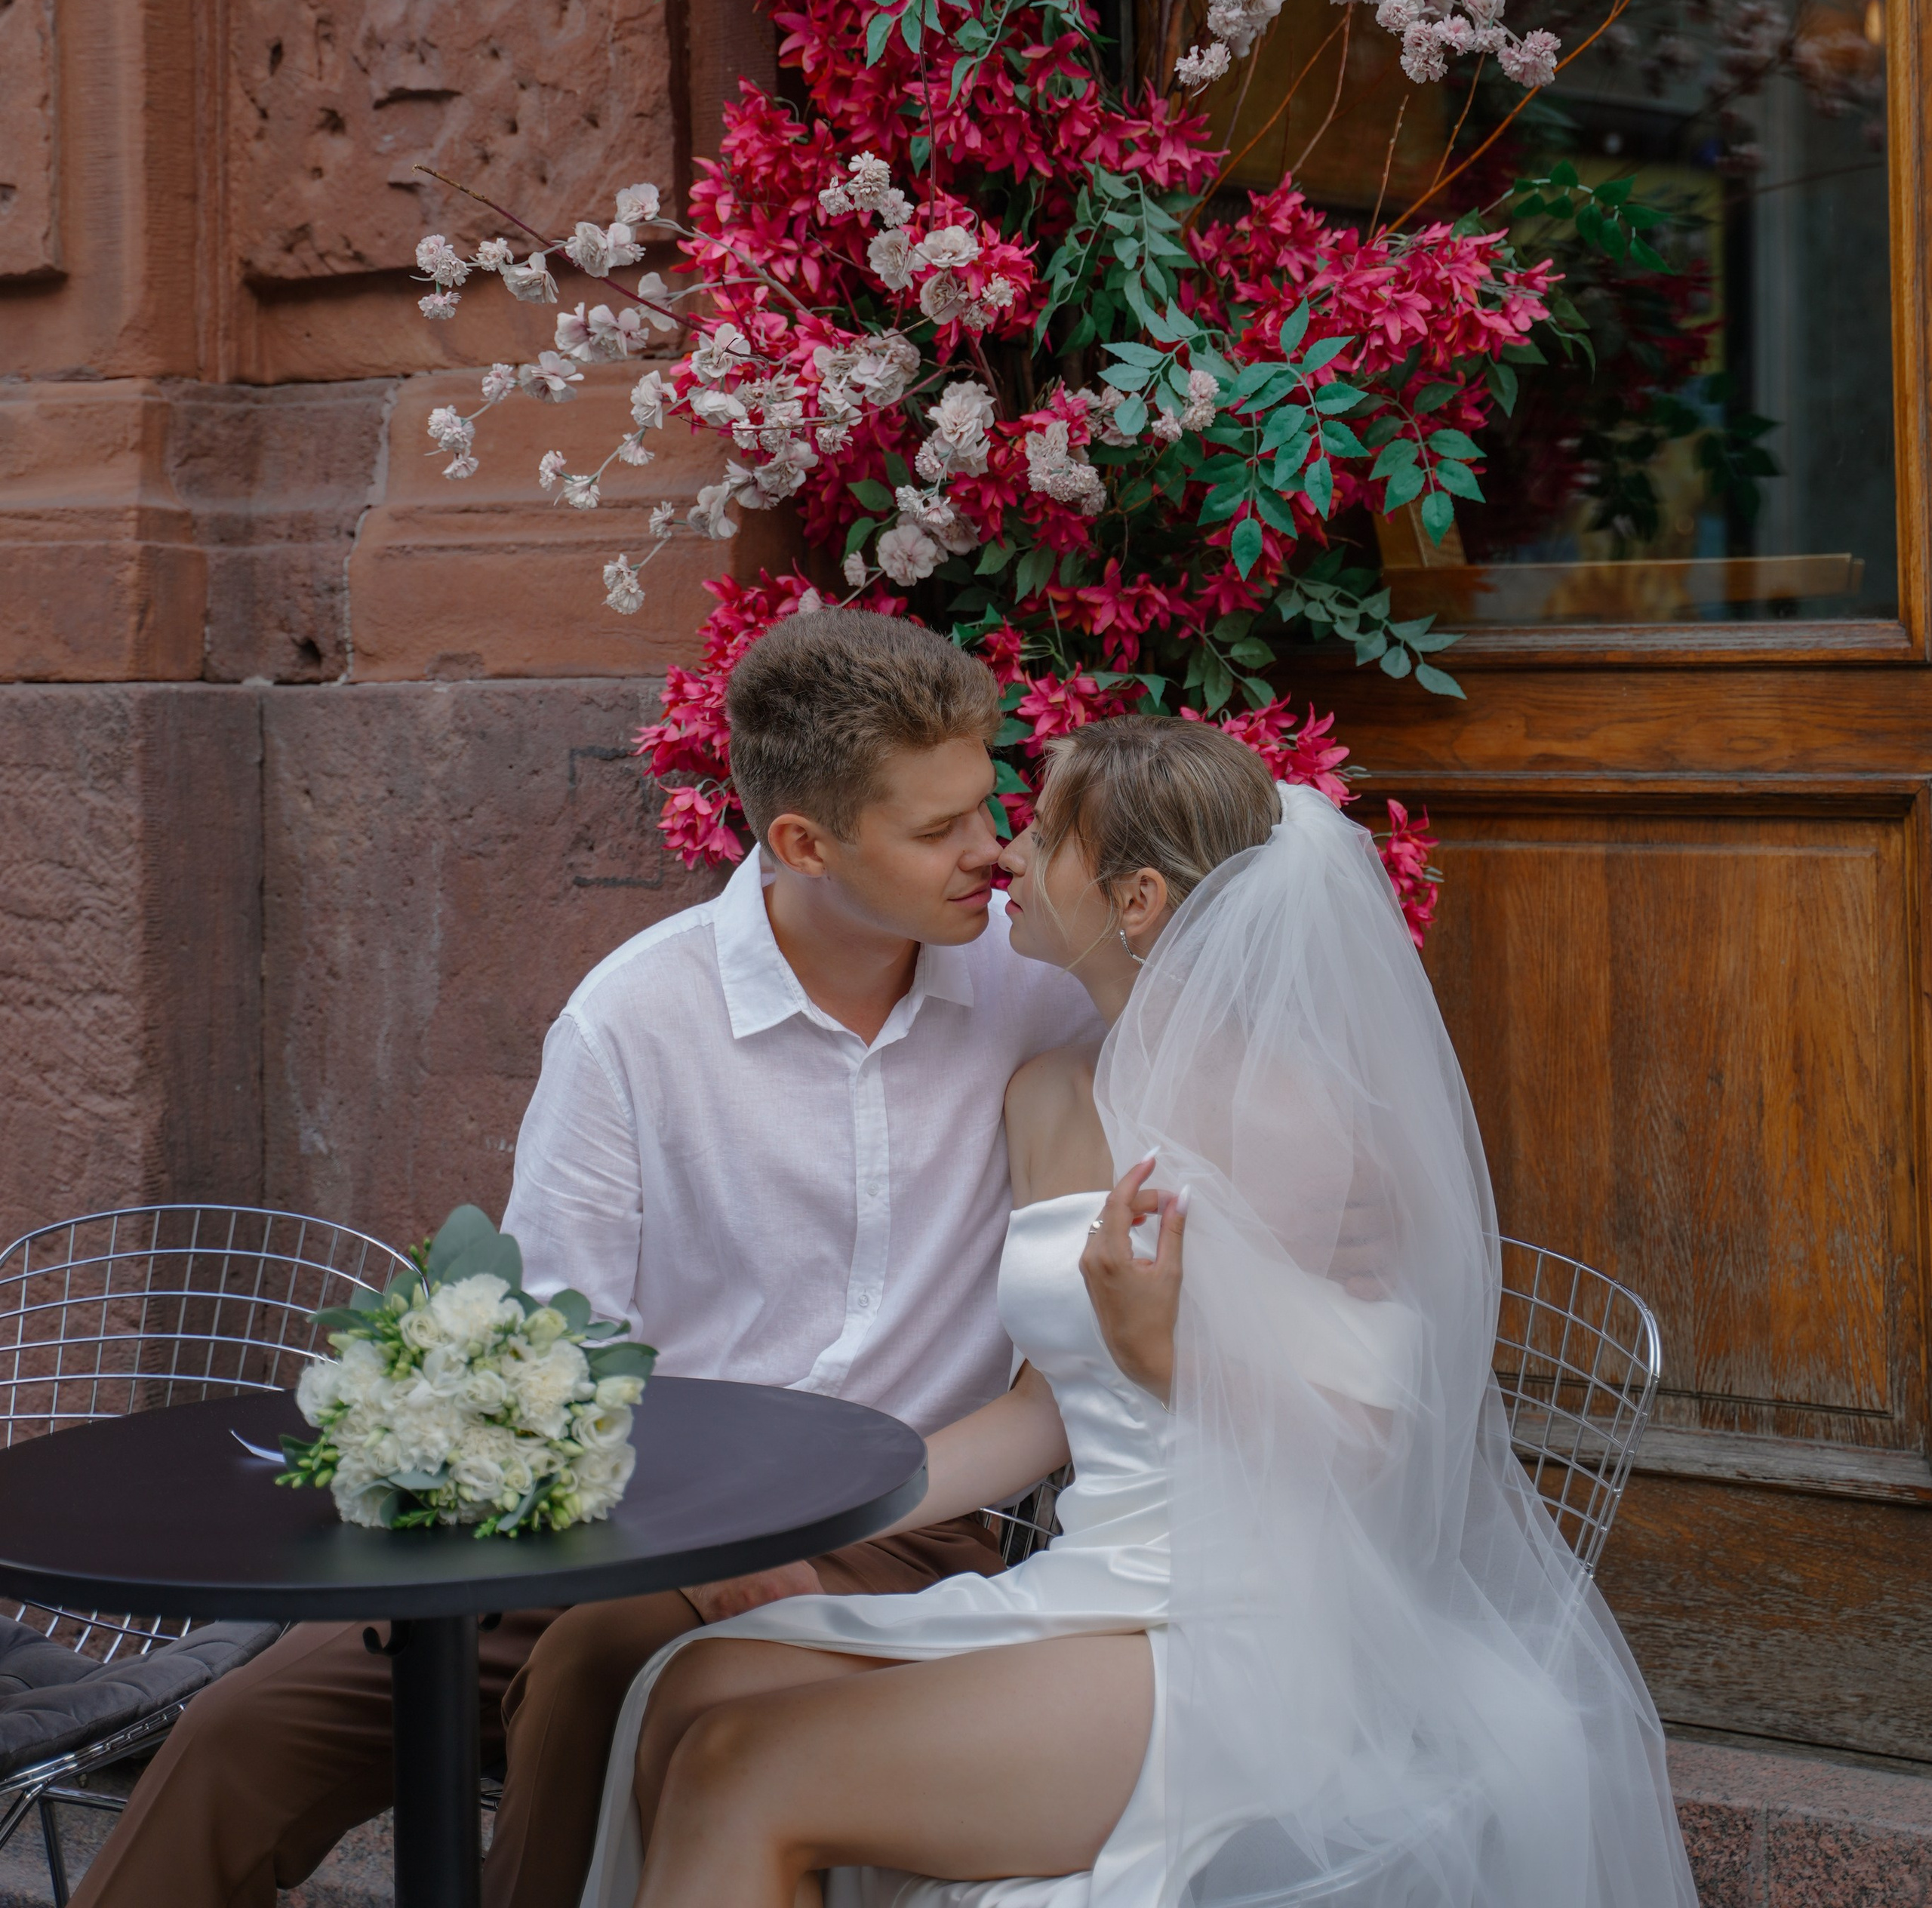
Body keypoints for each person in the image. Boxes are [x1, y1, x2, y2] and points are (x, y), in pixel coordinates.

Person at [576, 717, 1700, 1908]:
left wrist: (1172, 1353)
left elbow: (1381, 1454)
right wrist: (797, 1513)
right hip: (1098, 1579)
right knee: (688, 1692)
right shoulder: (1050, 1095)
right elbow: (1046, 1411)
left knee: (739, 1768)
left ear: (1139, 897)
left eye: (1046, 835)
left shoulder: (1307, 1124)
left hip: (1249, 1621)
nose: (1006, 856)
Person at [74, 611, 1100, 1908]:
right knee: (240, 1736)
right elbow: (559, 1329)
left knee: (599, 1671)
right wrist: (689, 1529)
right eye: (939, 828)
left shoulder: (1040, 996)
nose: (991, 850)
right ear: (802, 843)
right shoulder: (636, 1016)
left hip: (889, 1529)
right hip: (606, 1515)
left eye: (987, 805)